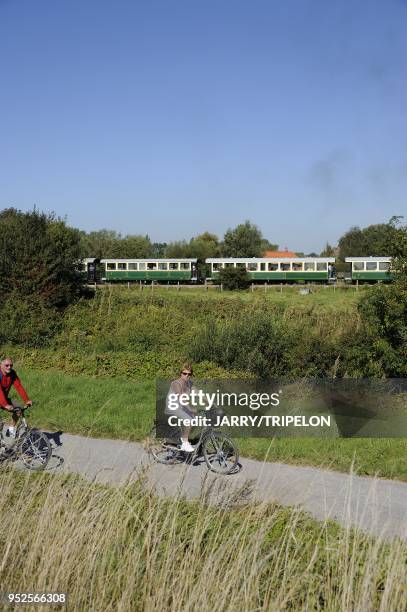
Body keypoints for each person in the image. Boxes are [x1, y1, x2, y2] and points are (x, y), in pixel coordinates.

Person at [165, 363, 196, 452]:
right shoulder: (176, 383)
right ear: (180, 373)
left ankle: (185, 438)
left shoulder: (189, 383)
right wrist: (190, 409)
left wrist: (211, 401)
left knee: (196, 418)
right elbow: (181, 397)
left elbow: (198, 393)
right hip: (173, 406)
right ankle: (185, 442)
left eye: (189, 374)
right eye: (184, 373)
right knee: (189, 419)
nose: (187, 376)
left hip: (181, 406)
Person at [0, 357, 32, 438]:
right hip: (2, 399)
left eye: (11, 365)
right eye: (6, 365)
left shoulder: (12, 373)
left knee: (19, 409)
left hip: (3, 399)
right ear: (1, 365)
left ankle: (10, 429)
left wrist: (27, 400)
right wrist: (5, 405)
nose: (9, 367)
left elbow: (19, 386)